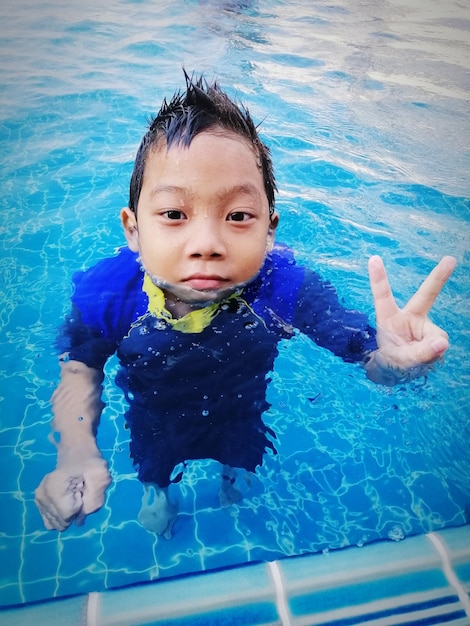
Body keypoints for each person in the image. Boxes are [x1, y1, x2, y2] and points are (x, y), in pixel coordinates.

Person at [34, 72, 456, 537]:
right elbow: (79, 370)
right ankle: (158, 493)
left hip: (242, 405)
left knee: (243, 452)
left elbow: (371, 362)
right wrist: (76, 451)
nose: (208, 243)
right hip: (155, 412)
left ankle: (233, 477)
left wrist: (397, 363)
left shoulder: (287, 286)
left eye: (238, 216)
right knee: (153, 461)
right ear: (133, 228)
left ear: (268, 229)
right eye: (174, 214)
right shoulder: (108, 292)